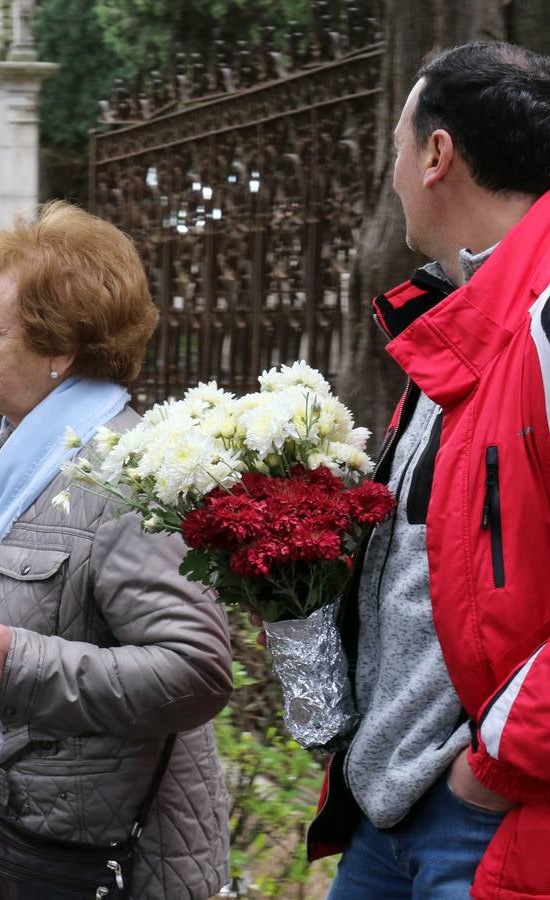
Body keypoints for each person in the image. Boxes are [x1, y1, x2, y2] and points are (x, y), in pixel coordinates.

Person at [0, 201, 233, 899]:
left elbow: (197, 669)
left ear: (60, 352)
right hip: (7, 839)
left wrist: (21, 663)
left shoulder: (121, 475)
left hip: (71, 867)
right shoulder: (27, 462)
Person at [304, 43, 550, 898]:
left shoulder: (544, 323)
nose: (394, 173)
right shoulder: (451, 320)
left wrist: (492, 770)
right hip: (389, 810)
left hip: (482, 813)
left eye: (400, 148)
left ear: (438, 155)